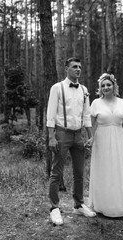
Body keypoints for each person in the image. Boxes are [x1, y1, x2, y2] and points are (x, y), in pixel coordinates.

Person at [46, 57, 96, 226]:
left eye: (80, 67)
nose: (78, 69)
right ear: (66, 68)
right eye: (74, 67)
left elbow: (86, 114)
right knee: (57, 172)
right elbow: (51, 114)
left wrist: (90, 136)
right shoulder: (57, 88)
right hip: (62, 134)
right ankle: (54, 208)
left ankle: (79, 204)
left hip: (78, 135)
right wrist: (51, 137)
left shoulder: (84, 89)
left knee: (79, 172)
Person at [86, 73, 123, 218]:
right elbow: (91, 125)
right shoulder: (96, 103)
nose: (106, 87)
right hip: (101, 140)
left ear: (114, 86)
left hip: (118, 139)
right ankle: (101, 205)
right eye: (103, 85)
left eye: (108, 85)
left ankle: (117, 207)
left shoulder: (122, 102)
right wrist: (90, 138)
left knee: (117, 171)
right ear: (100, 88)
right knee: (103, 171)